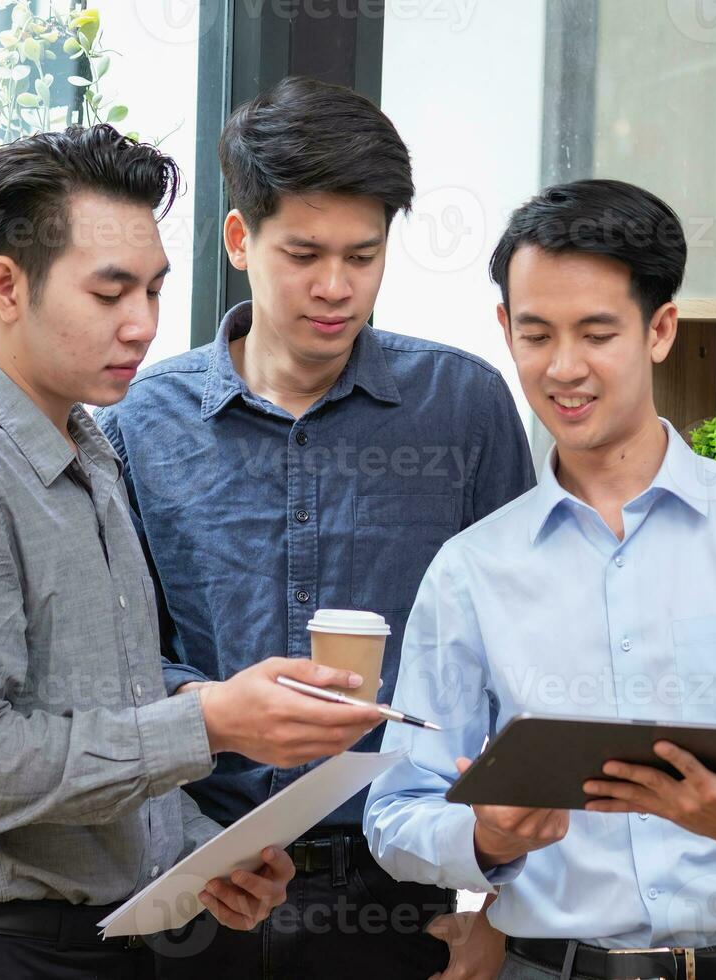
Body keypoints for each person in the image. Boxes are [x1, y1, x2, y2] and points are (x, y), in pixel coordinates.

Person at [0, 125, 382, 980]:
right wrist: (210, 722)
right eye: (110, 293)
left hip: (96, 943)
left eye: (155, 291)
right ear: (5, 286)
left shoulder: (86, 446)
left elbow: (94, 716)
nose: (144, 325)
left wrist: (202, 853)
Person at [365, 179, 716, 980]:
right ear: (506, 329)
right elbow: (395, 812)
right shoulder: (472, 569)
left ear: (660, 330)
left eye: (597, 332)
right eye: (538, 334)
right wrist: (484, 841)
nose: (564, 368)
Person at [95, 77, 535, 979]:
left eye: (363, 256)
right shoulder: (139, 422)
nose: (336, 288)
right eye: (303, 254)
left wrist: (503, 906)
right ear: (238, 239)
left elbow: (522, 667)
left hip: (402, 891)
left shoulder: (463, 409)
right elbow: (116, 668)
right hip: (199, 886)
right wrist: (216, 713)